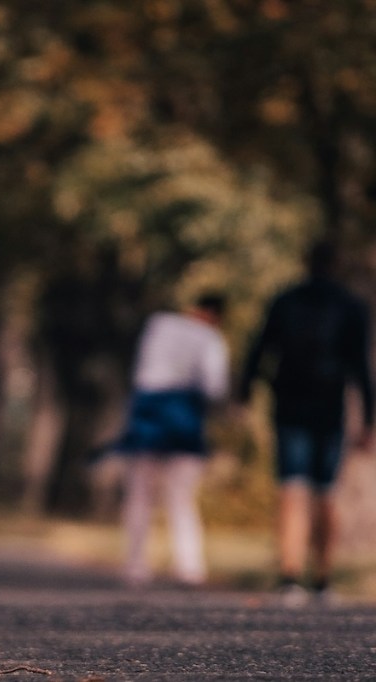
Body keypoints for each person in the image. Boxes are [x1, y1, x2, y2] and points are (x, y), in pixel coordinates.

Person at [238, 241, 374, 605]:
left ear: (305, 262)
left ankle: (289, 576)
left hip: (289, 406)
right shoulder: (350, 306)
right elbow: (361, 366)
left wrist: (244, 393)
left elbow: (260, 348)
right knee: (326, 492)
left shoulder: (286, 300)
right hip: (330, 408)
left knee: (291, 488)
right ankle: (323, 579)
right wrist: (369, 421)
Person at [112, 294, 230, 588]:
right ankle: (189, 565)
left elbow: (142, 368)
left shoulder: (158, 324)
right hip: (184, 416)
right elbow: (214, 387)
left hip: (148, 412)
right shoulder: (211, 339)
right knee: (181, 495)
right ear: (216, 315)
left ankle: (136, 563)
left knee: (140, 493)